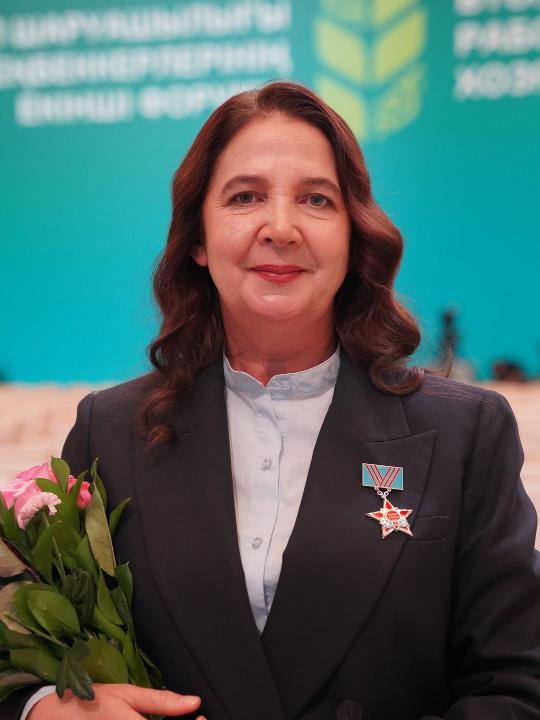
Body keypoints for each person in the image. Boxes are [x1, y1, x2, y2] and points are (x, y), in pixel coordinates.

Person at [5, 81, 540, 720]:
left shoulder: (464, 434)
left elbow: (519, 689)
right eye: (245, 197)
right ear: (198, 239)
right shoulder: (110, 431)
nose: (280, 229)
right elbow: (25, 648)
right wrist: (43, 705)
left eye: (316, 199)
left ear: (354, 237)